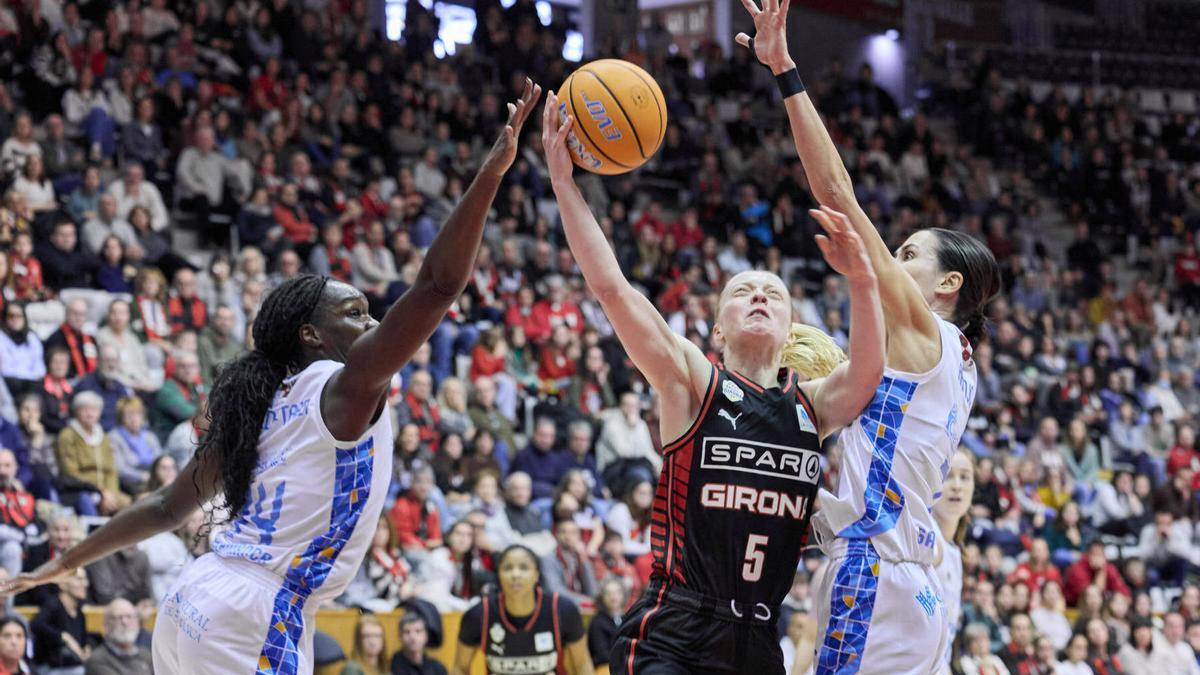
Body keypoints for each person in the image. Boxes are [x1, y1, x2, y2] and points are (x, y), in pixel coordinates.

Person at [2, 80, 543, 675]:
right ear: (311, 335)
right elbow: (437, 286)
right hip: (256, 617)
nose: (374, 323)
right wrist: (490, 175)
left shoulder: (260, 404)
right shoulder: (343, 387)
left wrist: (65, 562)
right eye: (355, 313)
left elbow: (162, 507)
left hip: (195, 597)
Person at [543, 87, 886, 674]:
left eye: (773, 293)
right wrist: (563, 182)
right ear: (718, 328)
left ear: (790, 327)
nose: (759, 296)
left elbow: (869, 370)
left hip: (758, 639)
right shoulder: (692, 383)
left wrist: (863, 280)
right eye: (742, 291)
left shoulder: (812, 406)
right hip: (675, 628)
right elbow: (612, 289)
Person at [734, 3, 1002, 672]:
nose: (894, 259)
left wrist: (785, 71)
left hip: (874, 574)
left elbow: (836, 192)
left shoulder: (925, 327)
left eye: (909, 254)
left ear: (947, 284)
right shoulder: (959, 362)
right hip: (911, 588)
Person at [451, 544, 593, 675]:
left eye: (524, 568)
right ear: (498, 575)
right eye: (508, 568)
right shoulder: (479, 615)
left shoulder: (562, 610)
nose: (515, 574)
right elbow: (460, 668)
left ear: (536, 575)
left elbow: (582, 665)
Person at [933, 449, 976, 675]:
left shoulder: (955, 552)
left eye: (965, 477)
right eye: (948, 476)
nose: (957, 486)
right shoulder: (928, 538)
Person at [83, 598, 153, 675]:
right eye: (118, 617)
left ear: (137, 622)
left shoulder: (147, 656)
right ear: (106, 625)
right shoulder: (97, 660)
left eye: (129, 616)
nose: (125, 622)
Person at [587, 578, 629, 669]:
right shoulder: (597, 622)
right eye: (608, 593)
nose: (613, 597)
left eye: (617, 592)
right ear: (602, 597)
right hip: (605, 668)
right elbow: (601, 655)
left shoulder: (628, 618)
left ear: (623, 595)